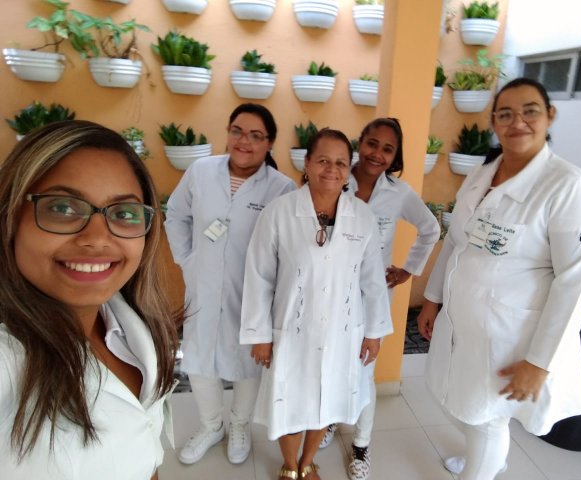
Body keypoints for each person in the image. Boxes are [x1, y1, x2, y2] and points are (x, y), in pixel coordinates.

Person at [417, 77, 581, 480]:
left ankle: (483, 468)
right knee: (457, 400)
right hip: (462, 324)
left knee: (487, 418)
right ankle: (486, 459)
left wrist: (540, 363)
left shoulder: (571, 189)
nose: (517, 121)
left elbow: (576, 285)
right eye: (505, 114)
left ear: (549, 116)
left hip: (510, 339)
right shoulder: (481, 175)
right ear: (493, 122)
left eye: (530, 111)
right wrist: (432, 298)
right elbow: (456, 241)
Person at [0, 120, 180, 479]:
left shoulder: (131, 320)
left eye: (124, 213)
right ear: (10, 216)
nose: (97, 238)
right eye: (62, 208)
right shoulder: (7, 360)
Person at [240, 128, 393, 480]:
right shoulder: (279, 212)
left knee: (327, 400)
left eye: (340, 162)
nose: (331, 169)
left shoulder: (362, 217)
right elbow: (259, 276)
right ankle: (290, 466)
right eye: (323, 160)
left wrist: (374, 332)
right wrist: (259, 335)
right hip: (292, 330)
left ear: (349, 169)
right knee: (290, 401)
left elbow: (372, 280)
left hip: (342, 330)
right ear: (307, 163)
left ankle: (308, 462)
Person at [164, 103, 296, 466]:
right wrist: (187, 260)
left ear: (269, 143)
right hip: (203, 284)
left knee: (249, 361)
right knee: (199, 357)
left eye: (256, 135)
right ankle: (211, 426)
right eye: (237, 131)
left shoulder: (281, 188)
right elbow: (176, 215)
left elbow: (289, 247)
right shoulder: (201, 171)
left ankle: (239, 425)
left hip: (253, 292)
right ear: (227, 132)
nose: (244, 141)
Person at [319, 117, 440, 480]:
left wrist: (408, 270)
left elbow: (430, 228)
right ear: (360, 142)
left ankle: (361, 444)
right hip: (328, 293)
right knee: (329, 363)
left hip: (372, 298)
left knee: (363, 371)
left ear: (395, 155)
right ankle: (331, 420)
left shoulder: (398, 193)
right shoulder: (337, 180)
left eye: (388, 149)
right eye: (372, 143)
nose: (377, 154)